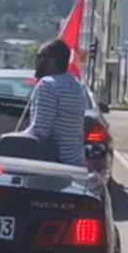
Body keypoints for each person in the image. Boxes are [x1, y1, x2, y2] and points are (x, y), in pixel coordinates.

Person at [23, 38, 86, 166]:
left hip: (54, 165)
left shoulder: (48, 85)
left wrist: (13, 138)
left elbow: (40, 131)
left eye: (39, 58)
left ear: (51, 62)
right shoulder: (75, 85)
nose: (36, 63)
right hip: (75, 162)